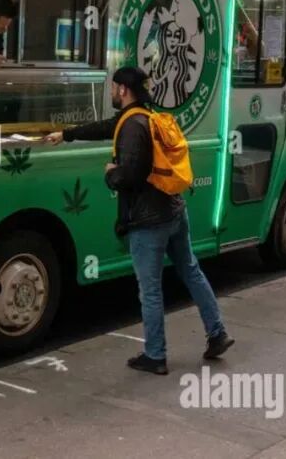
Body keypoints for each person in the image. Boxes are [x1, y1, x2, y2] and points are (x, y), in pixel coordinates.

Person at [42, 67, 233, 374]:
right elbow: (107, 127)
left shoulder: (133, 127)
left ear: (123, 89)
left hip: (149, 220)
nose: (112, 92)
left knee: (150, 289)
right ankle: (218, 333)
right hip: (174, 210)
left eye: (114, 87)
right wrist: (66, 135)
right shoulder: (144, 115)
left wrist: (110, 174)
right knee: (191, 271)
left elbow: (131, 175)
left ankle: (155, 355)